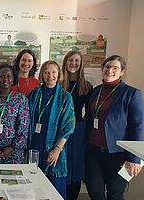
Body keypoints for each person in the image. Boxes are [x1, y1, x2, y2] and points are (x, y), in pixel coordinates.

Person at [85, 55, 144, 200]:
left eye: (115, 68)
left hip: (118, 154)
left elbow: (137, 126)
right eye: (107, 66)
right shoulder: (96, 91)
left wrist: (134, 158)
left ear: (122, 72)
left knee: (115, 194)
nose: (110, 70)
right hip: (93, 152)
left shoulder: (131, 93)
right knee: (95, 192)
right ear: (102, 69)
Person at [29, 60, 75, 199]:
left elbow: (69, 125)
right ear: (42, 75)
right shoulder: (35, 93)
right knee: (34, 186)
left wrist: (57, 150)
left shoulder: (65, 97)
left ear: (59, 74)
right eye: (46, 72)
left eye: (53, 72)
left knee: (54, 189)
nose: (50, 75)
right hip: (35, 144)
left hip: (54, 147)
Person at [60, 51, 93, 200]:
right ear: (65, 62)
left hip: (78, 131)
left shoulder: (86, 86)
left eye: (77, 61)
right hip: (60, 130)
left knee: (76, 168)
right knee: (62, 164)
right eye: (70, 60)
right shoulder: (59, 84)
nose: (73, 63)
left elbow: (90, 112)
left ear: (81, 64)